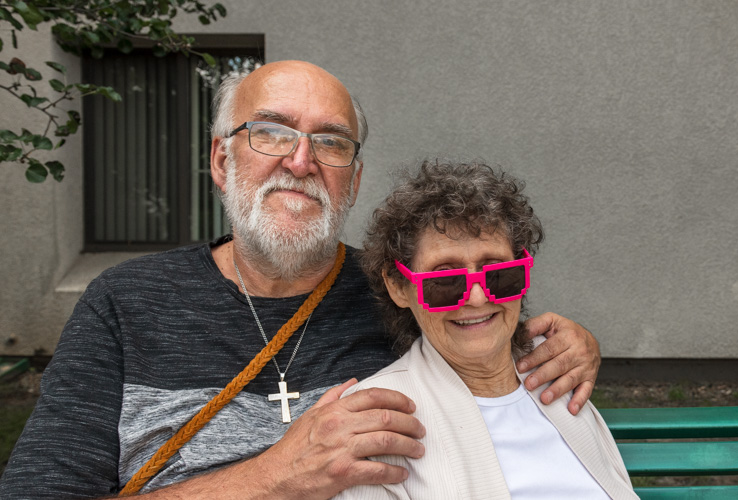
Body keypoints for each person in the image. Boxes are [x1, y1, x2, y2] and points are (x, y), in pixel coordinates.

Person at [0, 61, 601, 499]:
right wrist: (272, 476)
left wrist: (566, 344)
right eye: (271, 132)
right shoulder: (125, 303)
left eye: (330, 143)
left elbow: (485, 322)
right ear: (221, 160)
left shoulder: (404, 292)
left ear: (355, 181)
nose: (300, 161)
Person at [336, 160, 636, 499]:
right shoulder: (377, 417)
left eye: (498, 274)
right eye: (445, 281)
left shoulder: (556, 364)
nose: (477, 298)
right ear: (399, 287)